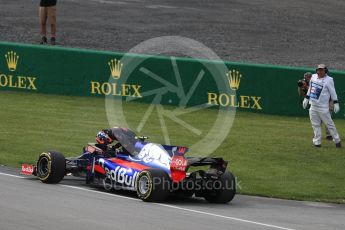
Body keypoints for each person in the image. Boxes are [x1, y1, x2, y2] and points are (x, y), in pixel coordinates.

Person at [302, 64, 341, 148]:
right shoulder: (313, 77)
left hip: (323, 107)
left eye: (321, 70)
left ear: (325, 71)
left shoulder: (329, 80)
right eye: (318, 70)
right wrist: (306, 98)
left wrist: (336, 103)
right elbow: (310, 88)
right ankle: (317, 142)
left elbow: (333, 92)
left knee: (329, 124)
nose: (319, 71)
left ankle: (337, 141)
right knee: (315, 125)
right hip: (313, 105)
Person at [298, 72, 332, 140]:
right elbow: (301, 94)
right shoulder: (305, 83)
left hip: (328, 101)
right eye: (305, 78)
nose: (305, 79)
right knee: (317, 120)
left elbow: (317, 92)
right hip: (317, 103)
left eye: (307, 78)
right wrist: (300, 87)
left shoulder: (318, 81)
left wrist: (307, 87)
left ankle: (329, 135)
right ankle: (317, 135)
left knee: (326, 119)